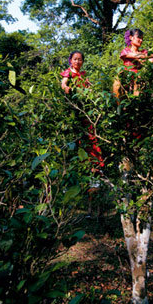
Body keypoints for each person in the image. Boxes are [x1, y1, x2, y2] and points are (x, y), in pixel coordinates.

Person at [60, 51, 104, 214]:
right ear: (70, 60)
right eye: (75, 59)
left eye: (80, 59)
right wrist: (70, 90)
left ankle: (94, 192)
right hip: (75, 113)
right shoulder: (68, 73)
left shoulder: (83, 76)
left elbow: (91, 89)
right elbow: (63, 85)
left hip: (86, 114)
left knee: (92, 145)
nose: (78, 61)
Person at [113, 28, 153, 97]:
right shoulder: (126, 51)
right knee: (117, 81)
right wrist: (148, 56)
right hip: (127, 77)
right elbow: (137, 56)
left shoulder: (144, 52)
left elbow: (151, 62)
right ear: (131, 38)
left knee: (138, 78)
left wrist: (151, 58)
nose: (141, 40)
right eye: (138, 37)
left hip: (138, 78)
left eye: (142, 38)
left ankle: (136, 100)